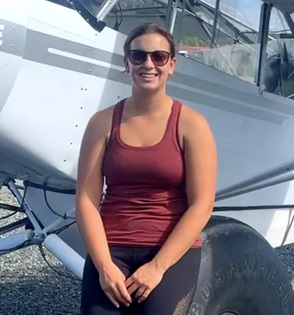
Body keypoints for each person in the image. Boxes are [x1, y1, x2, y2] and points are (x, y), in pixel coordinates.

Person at [76, 22, 218, 315]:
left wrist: (157, 267)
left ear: (172, 64)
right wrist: (104, 266)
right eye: (138, 56)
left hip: (170, 252)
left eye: (159, 57)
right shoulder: (101, 123)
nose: (148, 64)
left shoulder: (192, 125)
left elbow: (202, 205)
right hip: (112, 247)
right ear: (127, 63)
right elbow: (86, 201)